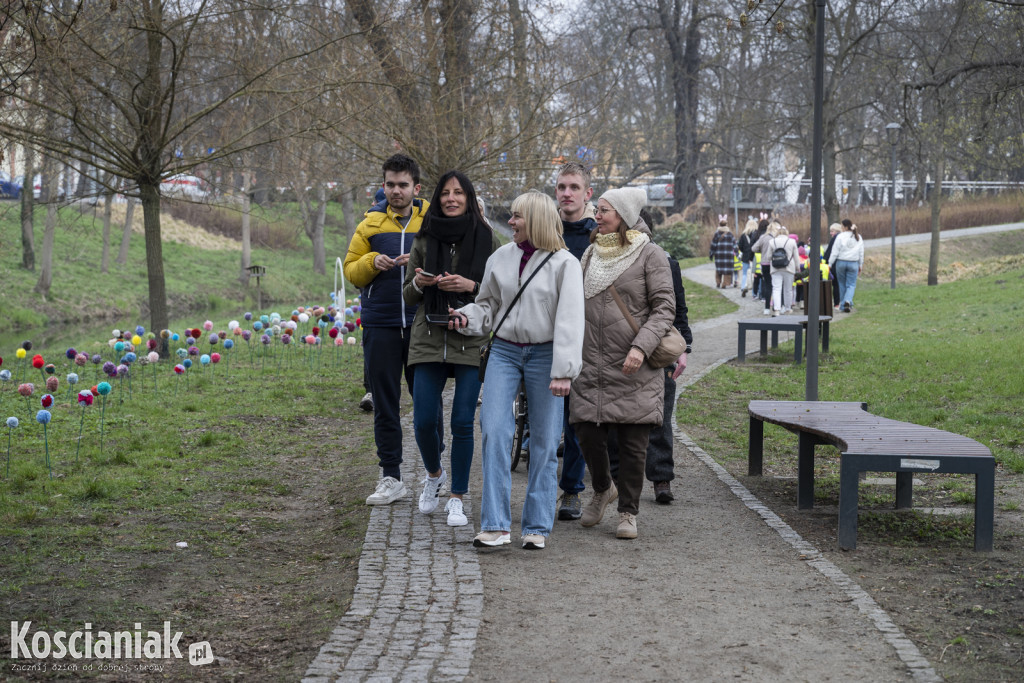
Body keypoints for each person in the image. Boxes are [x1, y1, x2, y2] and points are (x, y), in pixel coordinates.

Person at [448, 191, 584, 550]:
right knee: (493, 429)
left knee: (543, 440)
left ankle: (537, 525)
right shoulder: (500, 258)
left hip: (546, 354)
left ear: (537, 219)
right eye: (511, 215)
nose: (510, 222)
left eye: (517, 216)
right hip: (504, 351)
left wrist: (564, 371)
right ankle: (495, 525)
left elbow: (571, 320)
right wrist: (466, 317)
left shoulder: (565, 264)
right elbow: (488, 306)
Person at [570, 187, 675, 540]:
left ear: (624, 215)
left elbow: (664, 309)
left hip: (634, 363)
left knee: (633, 442)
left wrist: (641, 348)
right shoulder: (588, 254)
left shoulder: (651, 255)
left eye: (604, 210)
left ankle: (628, 511)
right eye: (596, 210)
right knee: (585, 429)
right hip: (590, 363)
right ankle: (602, 488)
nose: (597, 216)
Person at [404, 171, 500, 526]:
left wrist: (470, 285)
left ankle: (457, 497)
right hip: (428, 334)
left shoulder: (488, 239)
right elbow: (407, 295)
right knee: (424, 418)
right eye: (445, 193)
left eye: (459, 193)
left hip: (469, 337)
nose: (451, 198)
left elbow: (498, 293)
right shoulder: (425, 238)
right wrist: (418, 281)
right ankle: (434, 475)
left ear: (470, 198)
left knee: (462, 420)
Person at [344, 153, 431, 505]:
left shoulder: (431, 222)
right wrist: (371, 262)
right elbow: (351, 270)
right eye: (390, 185)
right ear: (383, 186)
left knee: (426, 406)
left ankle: (433, 475)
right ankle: (391, 477)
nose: (396, 190)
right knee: (385, 404)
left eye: (403, 185)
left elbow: (448, 261)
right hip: (380, 323)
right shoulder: (370, 224)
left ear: (416, 187)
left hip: (422, 325)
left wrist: (423, 263)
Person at [607, 208, 692, 505]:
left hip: (656, 351)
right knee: (616, 416)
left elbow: (677, 308)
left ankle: (661, 478)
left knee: (659, 415)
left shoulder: (666, 260)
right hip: (616, 349)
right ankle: (616, 478)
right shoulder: (606, 260)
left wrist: (684, 349)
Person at [553, 162, 596, 521]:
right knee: (545, 417)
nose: (567, 193)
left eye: (573, 187)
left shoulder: (598, 235)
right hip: (541, 334)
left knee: (577, 420)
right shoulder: (543, 230)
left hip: (583, 337)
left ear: (587, 193)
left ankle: (571, 490)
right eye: (561, 187)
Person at [359, 188, 390, 414]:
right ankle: (371, 391)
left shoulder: (415, 225)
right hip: (376, 303)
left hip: (407, 305)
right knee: (373, 351)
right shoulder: (367, 226)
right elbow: (354, 266)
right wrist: (371, 262)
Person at [828, 218, 865, 313]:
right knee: (851, 284)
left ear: (844, 227)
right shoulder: (858, 237)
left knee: (841, 284)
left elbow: (834, 251)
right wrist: (860, 264)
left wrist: (830, 263)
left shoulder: (840, 236)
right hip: (853, 262)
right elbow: (861, 252)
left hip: (841, 262)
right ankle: (848, 301)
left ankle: (843, 305)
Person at [766, 224, 798, 316]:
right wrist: (797, 268)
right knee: (788, 289)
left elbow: (768, 257)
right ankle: (788, 308)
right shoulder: (792, 241)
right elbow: (796, 257)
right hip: (789, 268)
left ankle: (777, 309)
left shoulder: (772, 242)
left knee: (776, 288)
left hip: (776, 268)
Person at [751, 217, 774, 314]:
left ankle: (767, 308)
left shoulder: (762, 238)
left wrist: (761, 250)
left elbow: (753, 248)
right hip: (774, 264)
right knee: (776, 285)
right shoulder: (773, 237)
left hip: (764, 263)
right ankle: (778, 306)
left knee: (767, 284)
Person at [709, 215, 737, 288]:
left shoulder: (717, 233)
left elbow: (713, 244)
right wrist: (736, 253)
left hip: (719, 255)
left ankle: (718, 282)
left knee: (719, 269)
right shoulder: (730, 234)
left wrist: (711, 254)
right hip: (728, 255)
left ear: (719, 224)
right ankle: (725, 283)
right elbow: (735, 244)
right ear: (726, 224)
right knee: (727, 270)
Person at [822, 223, 842, 310]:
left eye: (832, 231)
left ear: (837, 231)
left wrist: (824, 262)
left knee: (835, 284)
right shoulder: (843, 238)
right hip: (841, 262)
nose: (831, 233)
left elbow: (829, 252)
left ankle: (837, 303)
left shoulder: (835, 239)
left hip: (834, 264)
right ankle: (842, 301)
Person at [737, 217, 759, 297]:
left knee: (745, 273)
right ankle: (755, 289)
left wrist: (745, 251)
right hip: (755, 257)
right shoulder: (757, 234)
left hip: (746, 256)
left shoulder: (743, 235)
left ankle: (743, 287)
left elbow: (740, 246)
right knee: (756, 273)